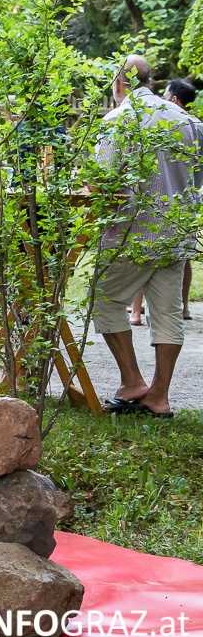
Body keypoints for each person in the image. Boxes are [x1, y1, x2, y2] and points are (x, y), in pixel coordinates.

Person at [93, 56, 197, 419]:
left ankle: (132, 380)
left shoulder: (118, 120)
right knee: (166, 313)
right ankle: (160, 396)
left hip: (131, 234)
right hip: (176, 231)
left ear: (119, 84)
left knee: (104, 301)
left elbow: (103, 185)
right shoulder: (188, 122)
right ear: (151, 81)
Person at [131, 78, 202, 324]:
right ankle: (182, 308)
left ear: (173, 97)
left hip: (150, 202)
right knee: (182, 259)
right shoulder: (195, 126)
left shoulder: (154, 119)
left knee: (141, 255)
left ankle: (137, 312)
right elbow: (199, 173)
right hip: (184, 204)